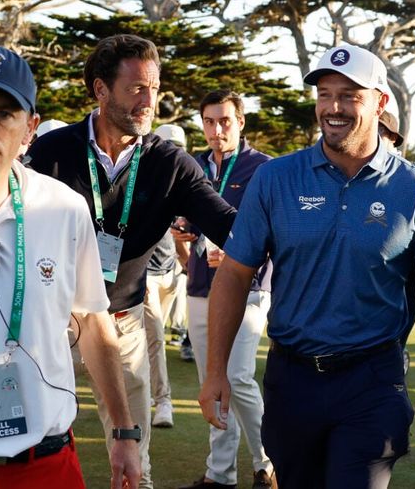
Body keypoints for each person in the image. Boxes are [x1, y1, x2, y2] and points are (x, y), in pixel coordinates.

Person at [199, 44, 415, 488]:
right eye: (324, 94)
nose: (333, 107)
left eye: (349, 95)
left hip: (373, 381)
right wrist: (216, 372)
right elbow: (234, 273)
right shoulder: (276, 178)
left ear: (380, 103)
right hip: (292, 379)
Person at [26, 34, 236, 489]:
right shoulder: (50, 152)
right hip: (48, 324)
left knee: (134, 463)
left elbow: (231, 227)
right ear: (101, 90)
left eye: (154, 89)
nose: (149, 101)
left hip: (123, 322)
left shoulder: (170, 163)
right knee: (29, 449)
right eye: (137, 88)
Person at [0, 46, 140, 489]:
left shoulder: (63, 208)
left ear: (30, 129)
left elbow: (93, 322)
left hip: (43, 463)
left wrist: (124, 431)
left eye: (3, 114)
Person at [178, 90, 275, 489]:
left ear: (240, 122)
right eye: (209, 121)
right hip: (199, 286)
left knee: (237, 376)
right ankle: (220, 474)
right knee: (212, 381)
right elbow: (185, 223)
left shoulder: (263, 168)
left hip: (248, 287)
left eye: (225, 121)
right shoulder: (191, 166)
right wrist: (181, 235)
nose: (216, 129)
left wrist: (241, 254)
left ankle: (268, 463)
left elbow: (275, 232)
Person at [142, 124, 190, 429]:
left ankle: (145, 391)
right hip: (143, 275)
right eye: (167, 146)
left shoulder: (181, 183)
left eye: (177, 148)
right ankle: (163, 402)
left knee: (150, 338)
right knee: (155, 339)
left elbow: (181, 235)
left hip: (171, 273)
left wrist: (186, 264)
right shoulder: (140, 179)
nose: (173, 152)